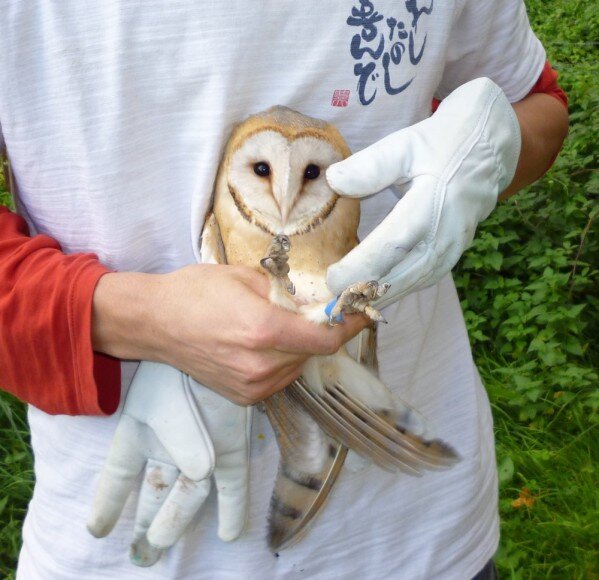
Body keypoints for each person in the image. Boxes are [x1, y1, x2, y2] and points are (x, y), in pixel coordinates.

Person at [0, 1, 568, 578]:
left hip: (425, 537)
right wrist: (131, 319)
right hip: (133, 538)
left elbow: (537, 104)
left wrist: (493, 152)